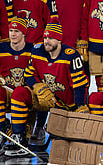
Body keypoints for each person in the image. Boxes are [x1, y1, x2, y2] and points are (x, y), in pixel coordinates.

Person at [7, 22, 89, 156]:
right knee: (19, 93)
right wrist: (37, 86)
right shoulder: (37, 50)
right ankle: (19, 138)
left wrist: (79, 106)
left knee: (66, 144)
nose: (47, 41)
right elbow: (28, 74)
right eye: (45, 38)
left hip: (65, 104)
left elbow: (80, 85)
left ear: (59, 39)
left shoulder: (71, 55)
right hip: (43, 97)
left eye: (50, 38)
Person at [0, 12, 33, 154]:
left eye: (17, 31)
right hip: (6, 90)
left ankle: (18, 135)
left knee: (20, 92)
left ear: (24, 33)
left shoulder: (34, 50)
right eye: (11, 30)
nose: (12, 34)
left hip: (26, 93)